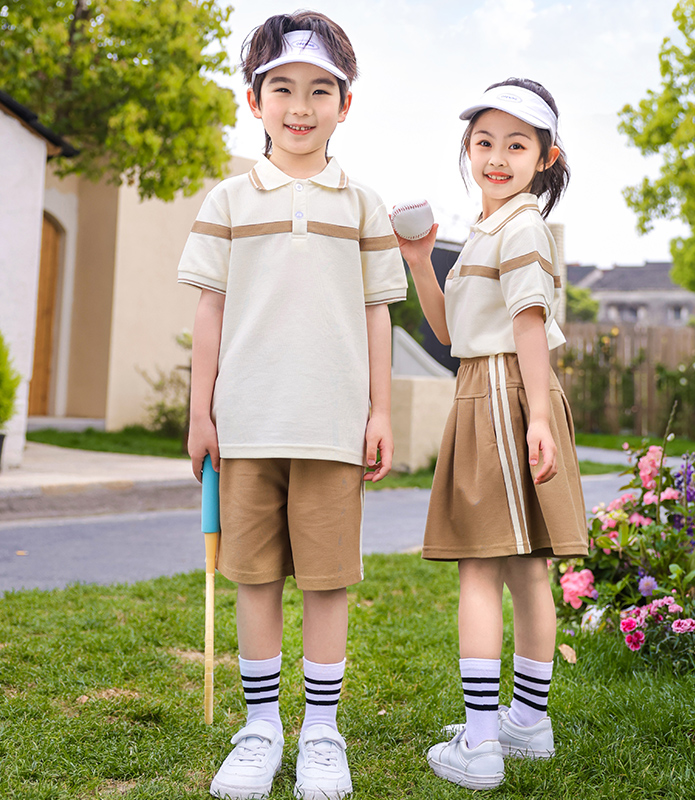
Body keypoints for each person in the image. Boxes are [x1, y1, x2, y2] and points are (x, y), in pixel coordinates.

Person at [177, 12, 406, 800]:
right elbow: (208, 310)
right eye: (283, 89)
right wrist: (200, 411)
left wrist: (381, 412)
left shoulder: (363, 205)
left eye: (319, 90)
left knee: (327, 582)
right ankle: (260, 729)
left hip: (334, 426)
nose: (300, 106)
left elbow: (379, 311)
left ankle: (322, 731)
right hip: (246, 420)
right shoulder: (229, 199)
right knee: (253, 578)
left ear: (347, 103)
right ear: (254, 99)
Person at [396, 78, 588, 790]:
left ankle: (481, 746)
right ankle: (526, 724)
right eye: (484, 142)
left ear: (546, 156)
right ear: (467, 150)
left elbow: (530, 322)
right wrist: (420, 261)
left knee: (483, 566)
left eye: (516, 143)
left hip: (504, 393)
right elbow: (451, 334)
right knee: (524, 566)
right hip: (490, 387)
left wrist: (536, 415)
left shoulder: (521, 226)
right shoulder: (490, 228)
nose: (497, 156)